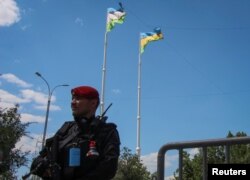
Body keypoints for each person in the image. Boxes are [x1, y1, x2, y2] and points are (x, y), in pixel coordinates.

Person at [30, 86, 120, 180]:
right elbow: (45, 155)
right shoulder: (66, 128)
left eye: (78, 99)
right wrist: (40, 165)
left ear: (93, 103)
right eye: (73, 98)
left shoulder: (107, 131)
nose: (72, 102)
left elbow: (108, 168)